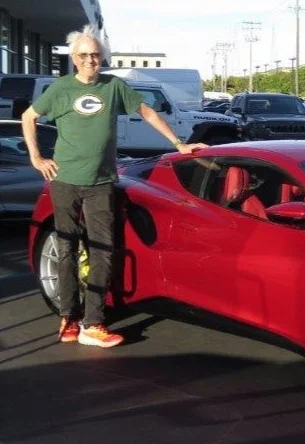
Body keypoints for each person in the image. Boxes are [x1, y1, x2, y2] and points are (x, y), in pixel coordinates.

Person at [21, 25, 208, 348]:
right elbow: (28, 117)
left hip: (102, 183)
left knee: (103, 250)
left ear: (102, 58)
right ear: (74, 59)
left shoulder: (113, 87)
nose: (90, 60)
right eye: (83, 55)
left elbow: (147, 112)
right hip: (65, 181)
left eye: (95, 55)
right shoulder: (61, 88)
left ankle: (92, 323)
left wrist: (179, 144)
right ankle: (69, 317)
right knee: (66, 249)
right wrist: (37, 157)